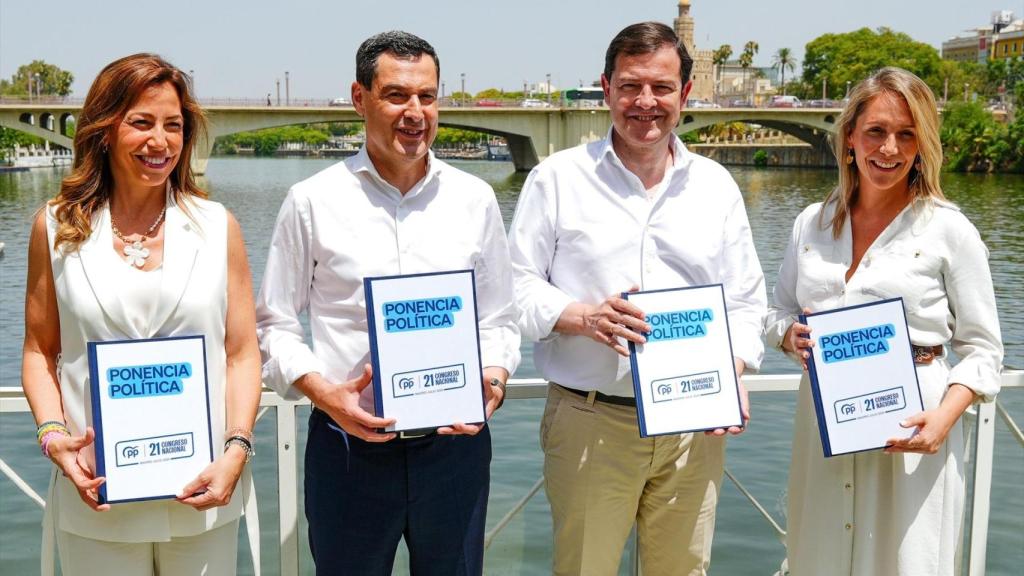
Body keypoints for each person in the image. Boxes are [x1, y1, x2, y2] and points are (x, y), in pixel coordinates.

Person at [255, 31, 520, 576]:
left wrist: (492, 378)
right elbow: (276, 324)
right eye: (397, 95)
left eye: (427, 96)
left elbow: (497, 317)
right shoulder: (312, 201)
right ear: (360, 98)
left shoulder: (475, 200)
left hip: (454, 452)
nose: (415, 112)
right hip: (349, 449)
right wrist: (322, 392)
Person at [508, 22, 766, 576]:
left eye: (661, 87)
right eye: (630, 86)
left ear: (685, 94)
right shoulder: (557, 179)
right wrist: (581, 317)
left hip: (694, 427)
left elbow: (745, 301)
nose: (645, 102)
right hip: (589, 422)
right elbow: (515, 288)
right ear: (606, 88)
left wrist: (736, 366)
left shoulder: (716, 186)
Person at [21, 53, 261, 575]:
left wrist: (237, 449)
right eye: (141, 122)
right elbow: (40, 351)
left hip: (203, 491)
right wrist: (54, 437)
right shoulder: (54, 228)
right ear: (105, 130)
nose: (161, 141)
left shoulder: (218, 226)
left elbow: (242, 353)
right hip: (96, 498)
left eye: (173, 125)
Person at [766, 67, 1003, 575]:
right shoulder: (810, 222)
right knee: (819, 556)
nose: (889, 148)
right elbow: (777, 312)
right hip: (824, 425)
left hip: (914, 429)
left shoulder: (949, 229)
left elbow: (985, 350)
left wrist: (943, 419)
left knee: (906, 560)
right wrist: (789, 335)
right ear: (850, 136)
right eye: (875, 130)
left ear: (922, 145)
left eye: (906, 134)